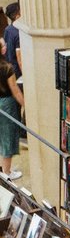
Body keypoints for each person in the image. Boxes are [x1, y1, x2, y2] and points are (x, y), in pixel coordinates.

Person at [0, 49, 24, 180]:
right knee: (7, 138)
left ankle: (3, 168)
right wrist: (26, 105)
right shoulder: (7, 68)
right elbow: (16, 91)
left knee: (1, 138)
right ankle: (7, 172)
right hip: (6, 105)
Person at [4, 2, 21, 79]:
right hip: (18, 72)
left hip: (9, 69)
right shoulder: (18, 32)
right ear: (17, 16)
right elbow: (19, 57)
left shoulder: (8, 29)